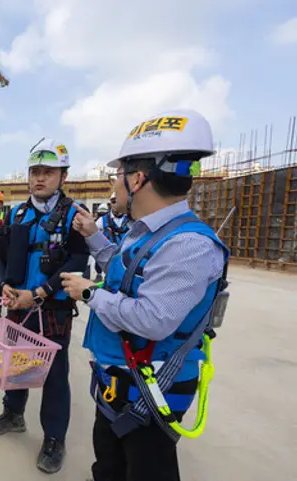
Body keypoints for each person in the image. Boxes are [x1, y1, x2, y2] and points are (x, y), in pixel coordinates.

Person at [61, 109, 229, 481]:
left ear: (138, 179)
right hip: (121, 383)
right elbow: (126, 274)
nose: (114, 187)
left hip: (152, 391)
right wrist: (93, 235)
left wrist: (89, 293)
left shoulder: (188, 244)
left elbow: (154, 319)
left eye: (117, 177)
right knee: (108, 466)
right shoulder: (147, 232)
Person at [0, 138, 90, 474]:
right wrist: (5, 286)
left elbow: (78, 260)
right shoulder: (17, 213)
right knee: (14, 365)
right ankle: (13, 414)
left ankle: (54, 438)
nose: (40, 178)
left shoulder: (74, 215)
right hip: (18, 305)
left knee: (54, 376)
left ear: (63, 176)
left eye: (48, 172)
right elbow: (1, 256)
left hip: (52, 308)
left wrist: (41, 292)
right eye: (35, 171)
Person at [92, 193, 129, 282]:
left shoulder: (129, 220)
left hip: (125, 254)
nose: (116, 204)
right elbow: (94, 236)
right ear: (110, 204)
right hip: (109, 254)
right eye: (113, 201)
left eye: (118, 201)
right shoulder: (102, 220)